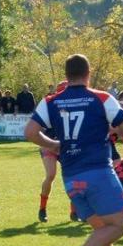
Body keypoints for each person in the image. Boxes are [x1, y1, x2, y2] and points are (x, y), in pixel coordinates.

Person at [25, 54, 123, 246]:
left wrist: (54, 144)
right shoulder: (101, 98)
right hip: (98, 171)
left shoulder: (51, 101)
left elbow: (31, 132)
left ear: (66, 75)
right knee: (118, 226)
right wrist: (111, 123)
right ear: (89, 72)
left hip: (72, 177)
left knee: (101, 231)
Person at [36, 81, 77, 223]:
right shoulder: (49, 107)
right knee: (51, 175)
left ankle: (74, 211)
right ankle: (42, 209)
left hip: (66, 147)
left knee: (73, 177)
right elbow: (38, 130)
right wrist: (49, 143)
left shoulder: (75, 107)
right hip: (49, 145)